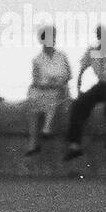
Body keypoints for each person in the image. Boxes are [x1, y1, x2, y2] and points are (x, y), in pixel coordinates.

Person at [63, 25, 106, 163]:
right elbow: (82, 70)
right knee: (78, 105)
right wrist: (79, 91)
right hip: (102, 84)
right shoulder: (93, 51)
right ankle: (74, 145)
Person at [25, 25, 71, 155]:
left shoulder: (62, 56)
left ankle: (47, 127)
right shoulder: (37, 59)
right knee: (33, 101)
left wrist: (57, 81)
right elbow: (35, 80)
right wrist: (47, 83)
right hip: (44, 89)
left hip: (60, 90)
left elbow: (68, 75)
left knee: (54, 95)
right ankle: (33, 142)